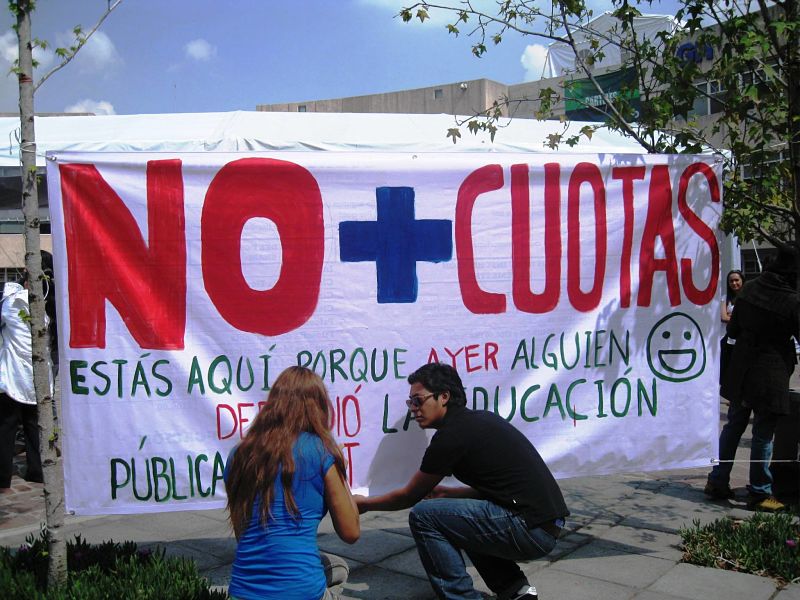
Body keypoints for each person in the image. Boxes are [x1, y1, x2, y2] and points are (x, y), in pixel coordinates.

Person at [355, 363, 568, 600]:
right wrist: (453, 495)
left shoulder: (451, 436)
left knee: (425, 515)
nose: (413, 409)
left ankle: (461, 597)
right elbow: (503, 491)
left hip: (530, 529)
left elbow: (409, 496)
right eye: (410, 403)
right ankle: (516, 591)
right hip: (546, 525)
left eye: (418, 400)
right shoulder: (477, 420)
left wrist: (364, 504)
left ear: (444, 396)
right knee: (454, 517)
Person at [224, 366, 360, 600]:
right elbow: (351, 532)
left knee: (335, 566)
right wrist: (341, 471)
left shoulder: (238, 455)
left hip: (242, 592)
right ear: (319, 407)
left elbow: (243, 534)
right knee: (335, 570)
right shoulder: (322, 452)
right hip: (302, 591)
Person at [705, 250, 800, 512]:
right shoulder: (790, 300)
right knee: (762, 434)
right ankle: (759, 492)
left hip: (742, 370)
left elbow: (733, 330)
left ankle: (717, 480)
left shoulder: (748, 291)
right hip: (770, 373)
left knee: (734, 425)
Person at [720, 269, 744, 380]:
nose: (734, 283)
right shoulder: (725, 298)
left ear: (742, 280)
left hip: (744, 338)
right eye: (731, 281)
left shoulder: (748, 296)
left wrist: (732, 316)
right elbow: (723, 317)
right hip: (729, 338)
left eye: (736, 280)